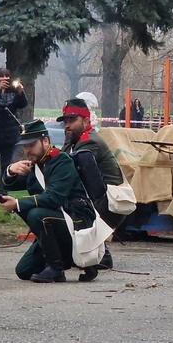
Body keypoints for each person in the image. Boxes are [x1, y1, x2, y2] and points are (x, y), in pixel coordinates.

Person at [0, 120, 97, 283]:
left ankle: (56, 269)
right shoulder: (37, 164)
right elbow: (11, 184)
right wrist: (11, 170)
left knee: (36, 214)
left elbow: (54, 198)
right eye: (25, 146)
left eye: (31, 145)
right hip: (58, 219)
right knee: (24, 271)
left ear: (45, 141)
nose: (27, 150)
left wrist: (17, 204)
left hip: (76, 219)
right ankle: (69, 258)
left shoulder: (61, 161)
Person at [57, 97, 125, 270]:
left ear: (86, 121)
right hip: (102, 195)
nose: (67, 125)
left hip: (110, 199)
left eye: (72, 120)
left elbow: (67, 168)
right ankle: (89, 252)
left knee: (75, 202)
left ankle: (100, 256)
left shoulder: (89, 141)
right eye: (65, 121)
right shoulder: (78, 139)